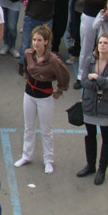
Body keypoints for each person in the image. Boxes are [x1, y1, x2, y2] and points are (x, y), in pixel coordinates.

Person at [15, 25, 70, 175]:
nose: (36, 43)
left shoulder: (53, 60)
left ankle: (48, 160)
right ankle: (26, 155)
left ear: (46, 42)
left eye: (39, 40)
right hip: (29, 94)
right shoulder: (28, 53)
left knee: (46, 130)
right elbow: (26, 69)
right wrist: (28, 77)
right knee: (29, 127)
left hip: (45, 97)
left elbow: (63, 75)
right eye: (34, 39)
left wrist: (60, 90)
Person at [77, 32, 108, 187]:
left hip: (105, 106)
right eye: (100, 42)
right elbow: (84, 81)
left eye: (105, 43)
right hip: (90, 104)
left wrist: (96, 77)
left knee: (106, 139)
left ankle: (102, 170)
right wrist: (100, 81)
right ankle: (90, 165)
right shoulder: (90, 61)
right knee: (90, 135)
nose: (102, 45)